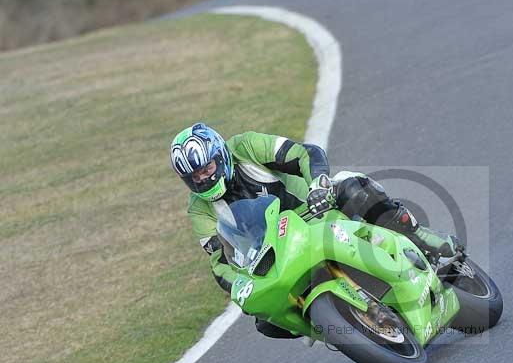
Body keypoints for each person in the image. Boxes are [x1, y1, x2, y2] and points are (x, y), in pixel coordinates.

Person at [170, 123, 460, 338]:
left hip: (315, 211)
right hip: (275, 254)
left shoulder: (245, 147)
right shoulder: (199, 209)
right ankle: (333, 329)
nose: (203, 179)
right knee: (265, 321)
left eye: (206, 168)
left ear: (220, 156)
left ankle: (420, 237)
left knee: (352, 187)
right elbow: (220, 262)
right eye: (194, 177)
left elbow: (304, 153)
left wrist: (318, 184)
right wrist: (238, 284)